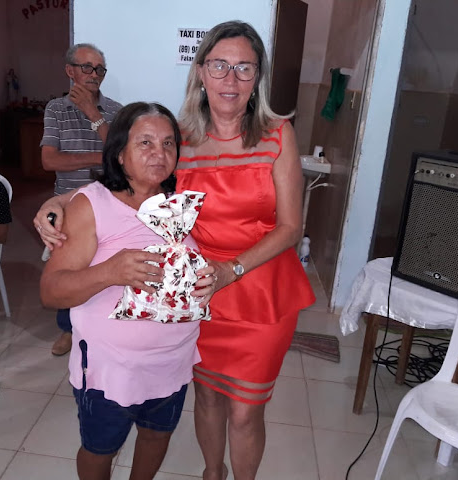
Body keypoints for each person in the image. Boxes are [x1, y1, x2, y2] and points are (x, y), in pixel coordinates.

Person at [34, 21, 316, 480]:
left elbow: (291, 227)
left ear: (258, 76)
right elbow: (129, 180)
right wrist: (60, 202)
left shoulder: (277, 135)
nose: (231, 79)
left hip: (259, 285)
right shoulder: (181, 138)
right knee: (207, 397)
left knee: (246, 410)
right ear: (201, 72)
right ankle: (212, 472)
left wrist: (232, 269)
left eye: (244, 68)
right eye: (219, 65)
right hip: (198, 290)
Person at [39, 102, 216, 480]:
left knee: (156, 436)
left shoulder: (182, 199)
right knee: (100, 448)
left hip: (172, 361)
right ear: (119, 153)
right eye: (145, 143)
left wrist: (205, 278)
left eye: (168, 144)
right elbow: (51, 291)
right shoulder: (93, 206)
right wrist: (110, 272)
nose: (159, 153)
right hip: (110, 368)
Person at [41, 43, 123, 357]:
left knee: (102, 265)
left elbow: (121, 158)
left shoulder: (115, 110)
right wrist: (101, 158)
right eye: (87, 67)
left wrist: (93, 113)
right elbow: (50, 160)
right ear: (70, 70)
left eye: (100, 69)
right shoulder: (55, 109)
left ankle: (100, 324)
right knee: (67, 268)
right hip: (67, 204)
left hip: (109, 201)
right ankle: (68, 329)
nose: (94, 74)